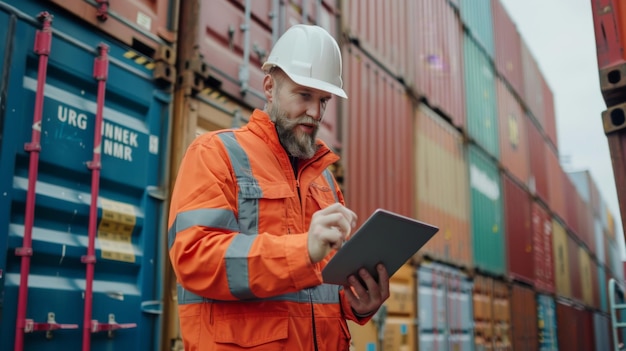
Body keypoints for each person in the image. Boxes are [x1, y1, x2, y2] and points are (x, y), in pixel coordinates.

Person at [168, 24, 390, 350]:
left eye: (323, 100)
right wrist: (302, 252)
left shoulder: (325, 180)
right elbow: (194, 260)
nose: (315, 113)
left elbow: (322, 291)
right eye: (304, 95)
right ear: (270, 87)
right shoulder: (215, 154)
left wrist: (355, 303)